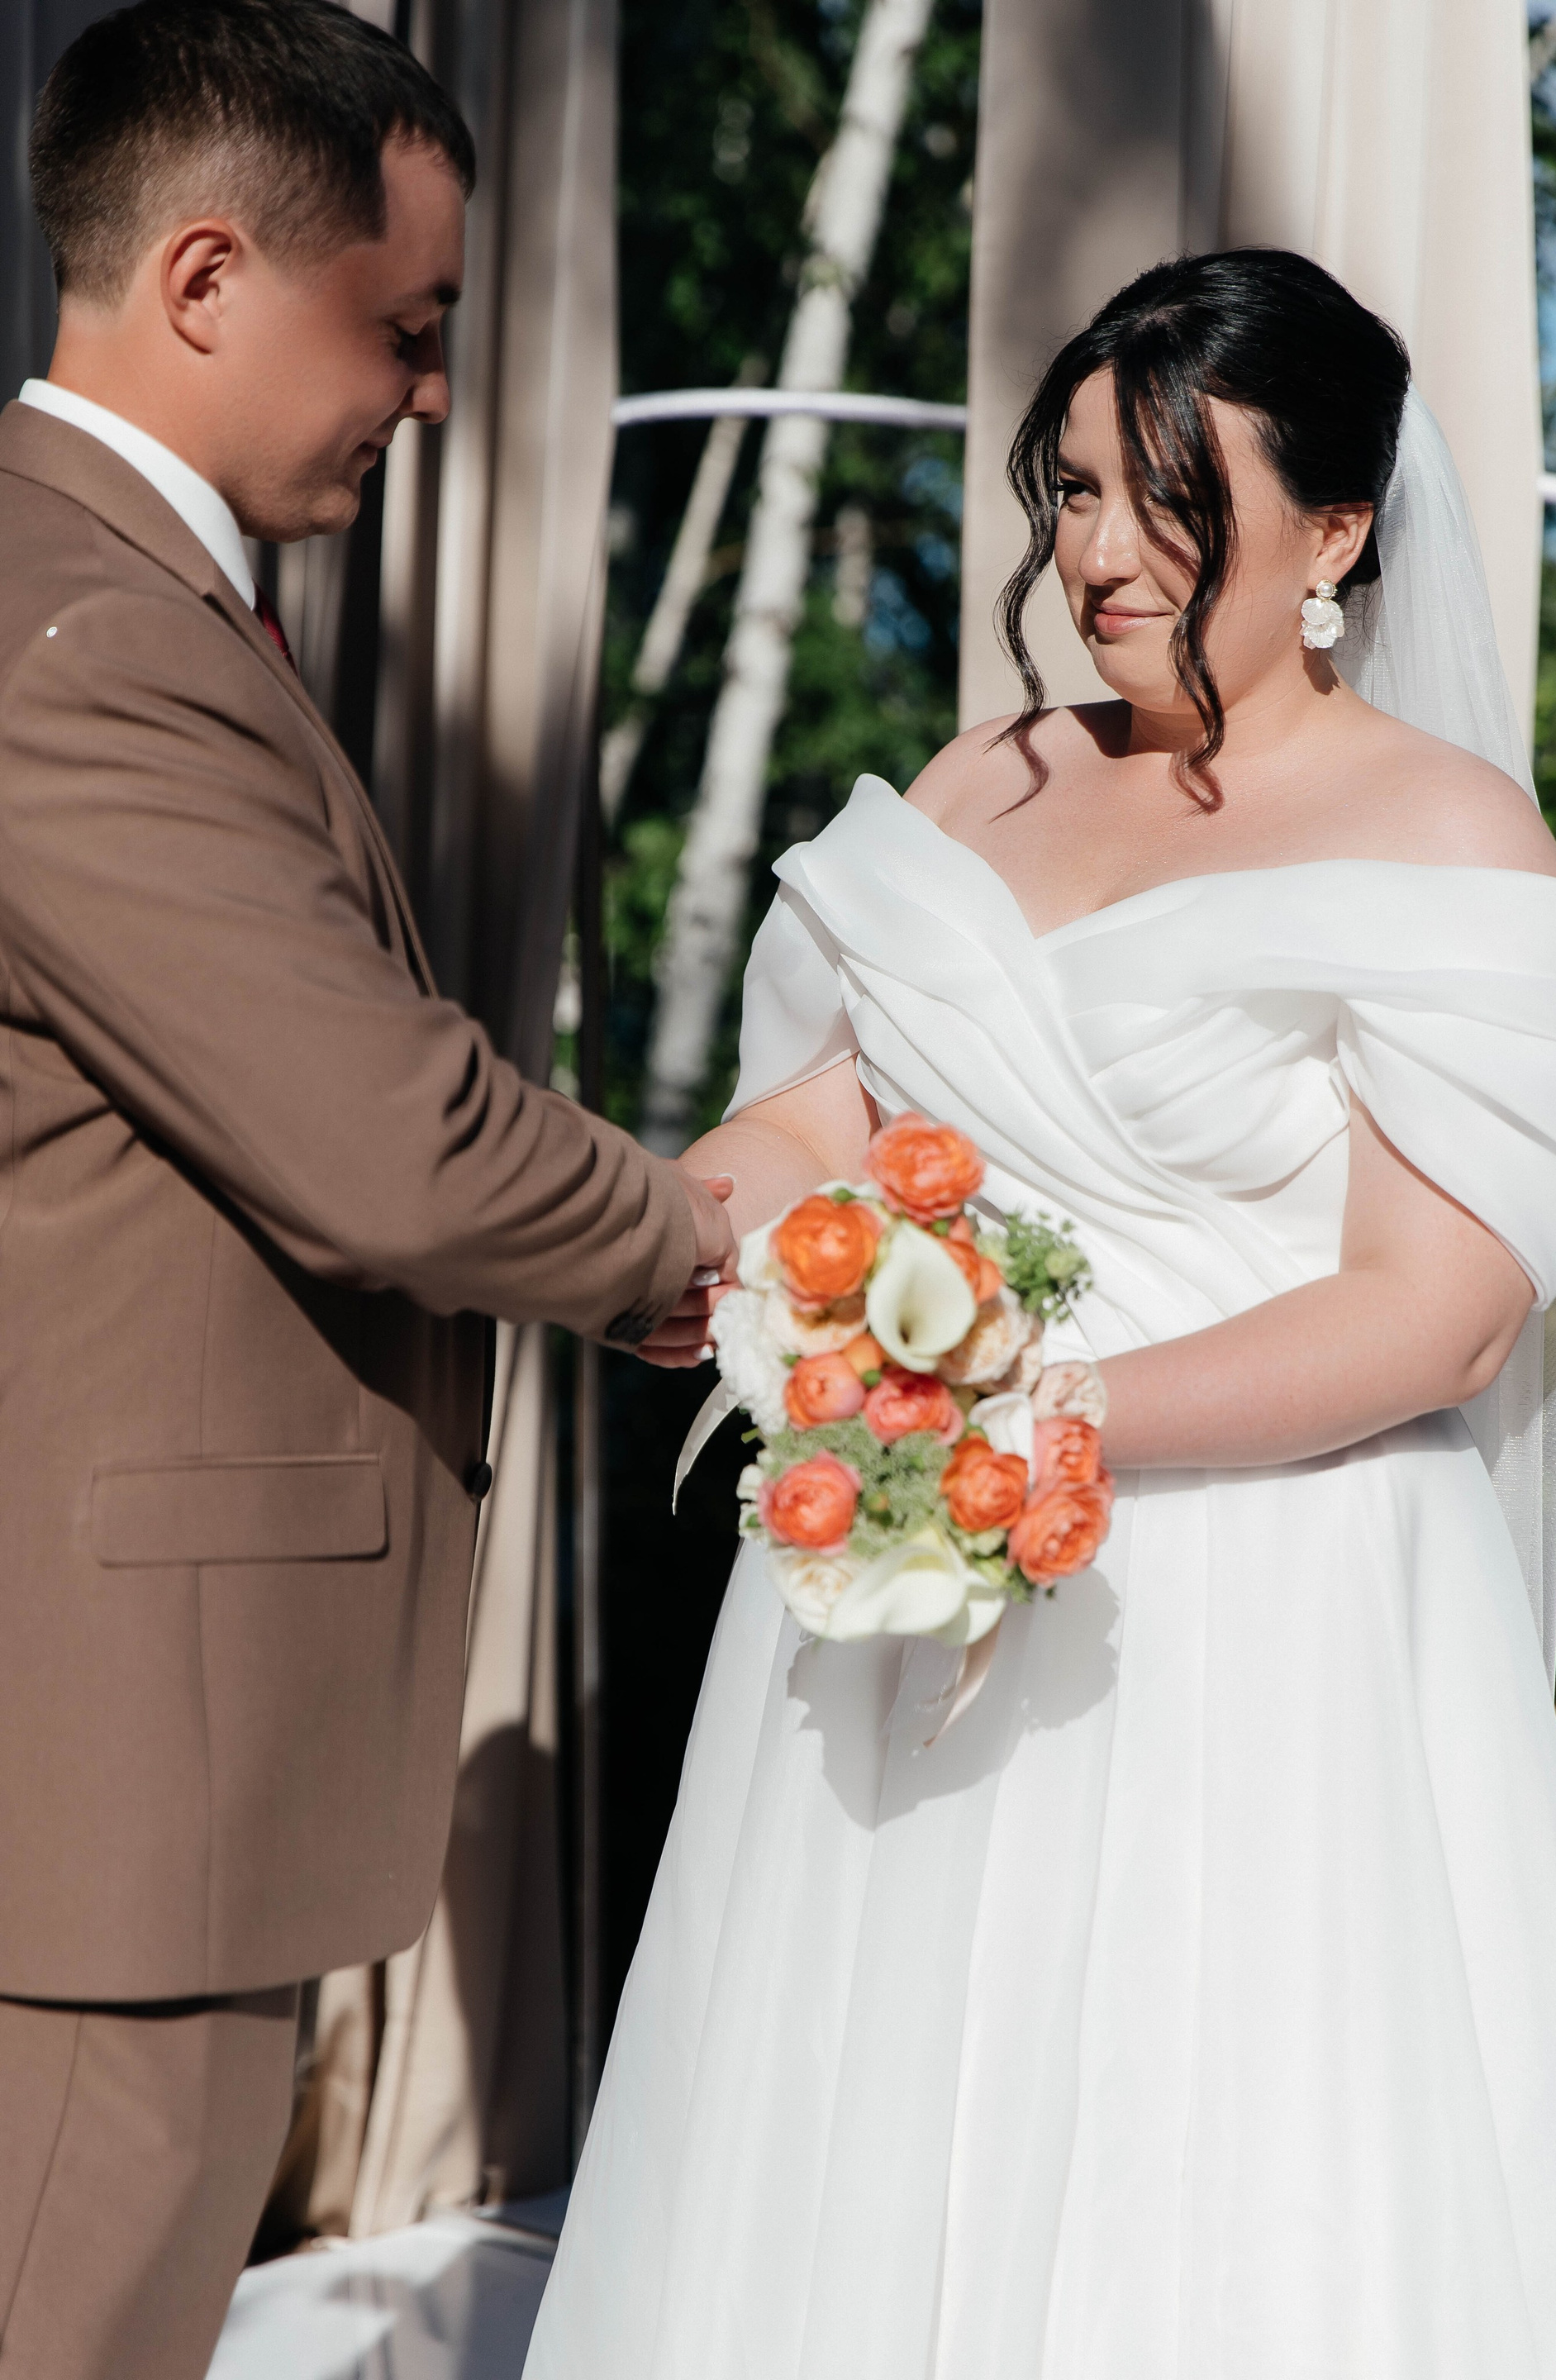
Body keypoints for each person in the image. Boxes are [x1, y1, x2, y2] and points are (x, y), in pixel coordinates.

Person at [528, 251, 1556, 2379]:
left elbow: (1438, 1318)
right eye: (1076, 488)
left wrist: (1033, 1410)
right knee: (852, 2161)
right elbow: (822, 1116)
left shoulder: (1450, 835)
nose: (1097, 553)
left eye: (1168, 501)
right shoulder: (979, 777)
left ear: (1338, 534)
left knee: (1196, 2182)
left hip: (1259, 1620)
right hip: (906, 1587)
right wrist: (682, 1238)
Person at [0, 6, 731, 2378]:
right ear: (208, 277)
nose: (426, 396)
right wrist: (709, 1247)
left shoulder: (115, 597)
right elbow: (384, 1138)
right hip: (105, 1758)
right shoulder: (88, 636)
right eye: (404, 328)